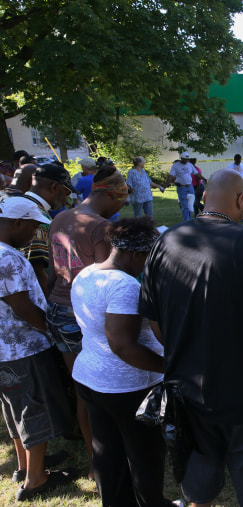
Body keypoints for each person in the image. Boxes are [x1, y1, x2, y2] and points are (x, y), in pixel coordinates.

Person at [140, 169, 243, 506]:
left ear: (203, 197)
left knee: (198, 488)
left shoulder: (165, 242)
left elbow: (156, 323)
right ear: (241, 200)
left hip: (187, 391)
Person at [70, 217, 172, 506]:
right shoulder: (124, 285)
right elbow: (123, 345)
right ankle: (152, 503)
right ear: (139, 254)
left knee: (107, 452)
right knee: (145, 455)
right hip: (126, 388)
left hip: (91, 379)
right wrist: (170, 368)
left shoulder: (88, 273)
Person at [48, 166, 129, 480]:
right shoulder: (100, 227)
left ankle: (96, 462)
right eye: (120, 200)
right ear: (109, 194)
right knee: (99, 388)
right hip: (83, 314)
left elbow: (55, 272)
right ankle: (108, 458)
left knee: (81, 387)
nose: (121, 208)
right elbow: (107, 279)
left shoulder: (61, 218)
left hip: (57, 308)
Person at [0, 197, 76, 502]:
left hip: (6, 349)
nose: (34, 234)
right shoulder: (8, 258)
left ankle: (25, 465)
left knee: (15, 408)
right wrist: (50, 329)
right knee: (35, 408)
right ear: (18, 222)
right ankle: (35, 480)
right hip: (24, 348)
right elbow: (21, 307)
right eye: (32, 227)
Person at [20, 164, 75, 295]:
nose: (67, 199)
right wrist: (51, 303)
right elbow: (37, 267)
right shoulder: (35, 215)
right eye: (67, 192)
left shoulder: (21, 204)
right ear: (54, 187)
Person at [164, 152, 199, 222]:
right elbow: (171, 176)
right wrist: (165, 186)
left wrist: (204, 179)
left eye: (187, 159)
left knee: (190, 206)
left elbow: (197, 173)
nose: (186, 161)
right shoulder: (176, 165)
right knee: (185, 206)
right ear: (181, 158)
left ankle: (188, 219)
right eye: (185, 159)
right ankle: (186, 221)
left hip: (190, 187)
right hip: (181, 187)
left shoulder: (189, 165)